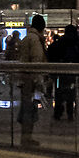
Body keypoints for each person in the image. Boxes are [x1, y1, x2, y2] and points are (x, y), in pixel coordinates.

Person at [15, 11, 49, 142]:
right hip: (31, 79)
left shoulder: (27, 37)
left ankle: (26, 135)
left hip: (25, 77)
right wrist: (38, 79)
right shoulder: (35, 40)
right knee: (30, 108)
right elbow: (36, 60)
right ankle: (27, 137)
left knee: (26, 107)